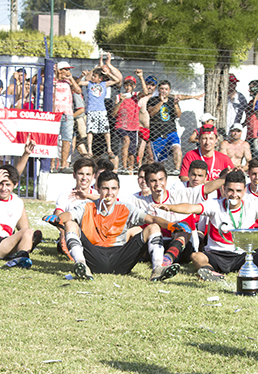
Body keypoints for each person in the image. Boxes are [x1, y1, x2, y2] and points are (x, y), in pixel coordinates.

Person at [44, 170, 184, 280]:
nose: (109, 193)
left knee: (153, 227)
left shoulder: (125, 208)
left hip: (121, 258)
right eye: (105, 188)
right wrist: (58, 218)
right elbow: (69, 215)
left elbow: (152, 219)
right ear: (98, 189)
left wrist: (171, 225)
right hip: (94, 256)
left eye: (113, 188)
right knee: (70, 224)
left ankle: (158, 269)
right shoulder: (87, 207)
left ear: (118, 190)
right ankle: (81, 265)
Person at [131, 162, 225, 280]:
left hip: (182, 247)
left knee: (183, 226)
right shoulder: (139, 200)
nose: (158, 184)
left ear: (166, 180)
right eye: (153, 181)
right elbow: (118, 202)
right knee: (136, 229)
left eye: (161, 179)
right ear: (147, 183)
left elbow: (205, 189)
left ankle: (166, 260)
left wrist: (225, 178)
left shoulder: (180, 195)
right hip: (155, 248)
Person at [78, 57, 121, 165]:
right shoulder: (89, 84)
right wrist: (95, 68)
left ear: (100, 78)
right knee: (90, 131)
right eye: (92, 76)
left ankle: (109, 149)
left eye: (95, 76)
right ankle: (90, 150)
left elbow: (117, 80)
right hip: (92, 111)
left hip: (101, 111)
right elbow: (78, 83)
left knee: (106, 131)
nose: (93, 77)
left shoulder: (103, 85)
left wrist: (107, 73)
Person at [112, 71, 147, 174]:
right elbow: (114, 113)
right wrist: (121, 101)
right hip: (121, 125)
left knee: (132, 153)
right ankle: (124, 167)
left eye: (131, 85)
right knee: (126, 140)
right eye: (126, 85)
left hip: (133, 127)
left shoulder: (136, 96)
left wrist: (141, 77)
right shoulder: (119, 97)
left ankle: (130, 170)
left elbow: (145, 92)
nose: (128, 87)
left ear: (134, 86)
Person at [51, 61, 83, 173]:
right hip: (55, 113)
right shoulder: (52, 81)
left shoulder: (68, 82)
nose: (68, 71)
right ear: (60, 70)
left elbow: (78, 90)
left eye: (69, 69)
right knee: (53, 139)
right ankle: (51, 165)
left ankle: (63, 165)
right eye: (66, 69)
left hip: (67, 113)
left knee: (66, 140)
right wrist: (55, 74)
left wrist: (71, 79)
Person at [147, 80, 183, 175]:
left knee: (177, 148)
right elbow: (151, 113)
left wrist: (175, 104)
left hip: (171, 131)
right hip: (157, 133)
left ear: (169, 90)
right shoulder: (153, 100)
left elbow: (178, 115)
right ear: (158, 90)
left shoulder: (172, 101)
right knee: (159, 162)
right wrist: (161, 102)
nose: (164, 91)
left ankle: (176, 170)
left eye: (166, 89)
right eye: (162, 89)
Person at [244, 80, 258, 159]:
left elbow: (254, 108)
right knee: (249, 156)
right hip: (249, 133)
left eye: (251, 88)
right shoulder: (251, 101)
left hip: (256, 134)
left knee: (257, 155)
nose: (249, 90)